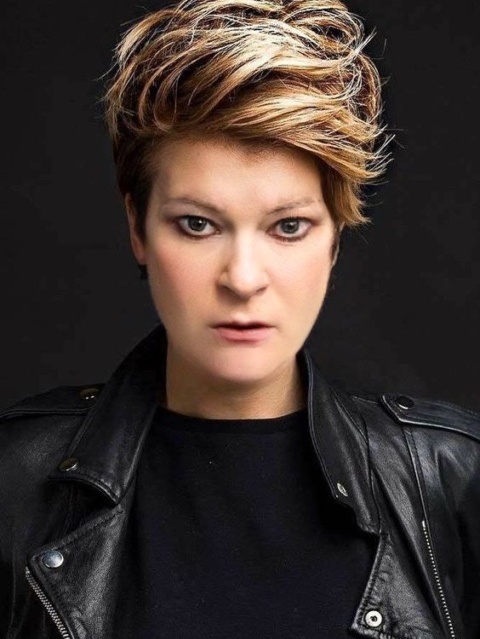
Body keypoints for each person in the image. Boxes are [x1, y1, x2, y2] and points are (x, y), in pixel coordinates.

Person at [0, 0, 479, 637]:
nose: (243, 278)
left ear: (335, 239)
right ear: (138, 228)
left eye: (289, 227)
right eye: (197, 225)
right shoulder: (14, 480)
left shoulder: (452, 482)